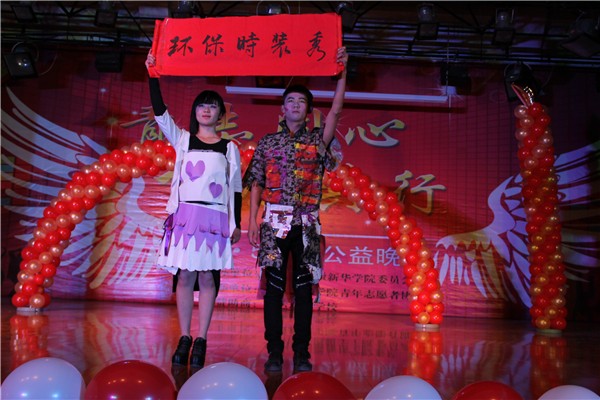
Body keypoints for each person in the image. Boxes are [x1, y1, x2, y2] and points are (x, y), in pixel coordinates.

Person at [243, 47, 348, 373]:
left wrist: (342, 73)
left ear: (309, 110)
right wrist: (252, 221)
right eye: (290, 101)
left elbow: (336, 112)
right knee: (274, 289)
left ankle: (302, 352)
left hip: (307, 224)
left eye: (302, 102)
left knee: (304, 289)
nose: (296, 105)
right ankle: (274, 351)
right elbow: (256, 182)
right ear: (282, 108)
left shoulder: (318, 140)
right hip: (273, 222)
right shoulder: (267, 142)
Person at [145, 52, 242, 370]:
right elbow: (160, 114)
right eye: (202, 105)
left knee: (208, 277)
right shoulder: (183, 140)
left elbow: (235, 187)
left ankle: (202, 338)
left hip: (215, 217)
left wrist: (237, 223)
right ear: (195, 111)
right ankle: (184, 336)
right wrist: (152, 75)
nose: (206, 110)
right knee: (185, 275)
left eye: (212, 106)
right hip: (186, 216)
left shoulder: (229, 148)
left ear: (220, 114)